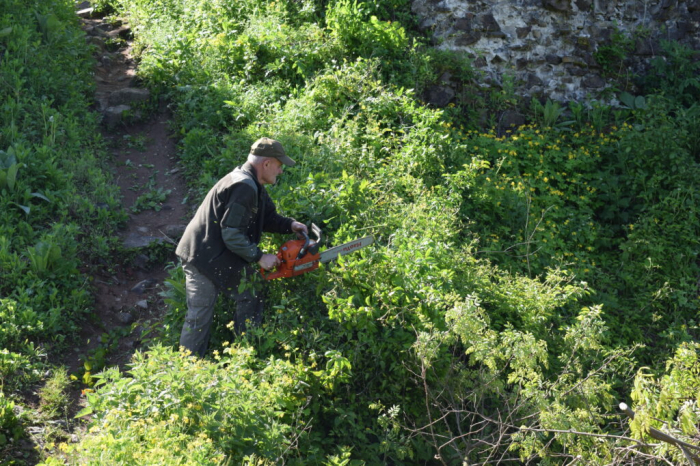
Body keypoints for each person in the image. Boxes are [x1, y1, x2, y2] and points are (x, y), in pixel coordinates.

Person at [175, 137, 308, 357]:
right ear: (266, 164)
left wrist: (290, 225)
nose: (281, 171)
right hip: (202, 257)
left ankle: (244, 353)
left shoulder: (252, 184)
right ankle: (187, 368)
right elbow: (231, 233)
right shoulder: (243, 186)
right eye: (279, 165)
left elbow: (267, 217)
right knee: (199, 315)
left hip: (219, 255)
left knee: (252, 292)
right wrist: (259, 257)